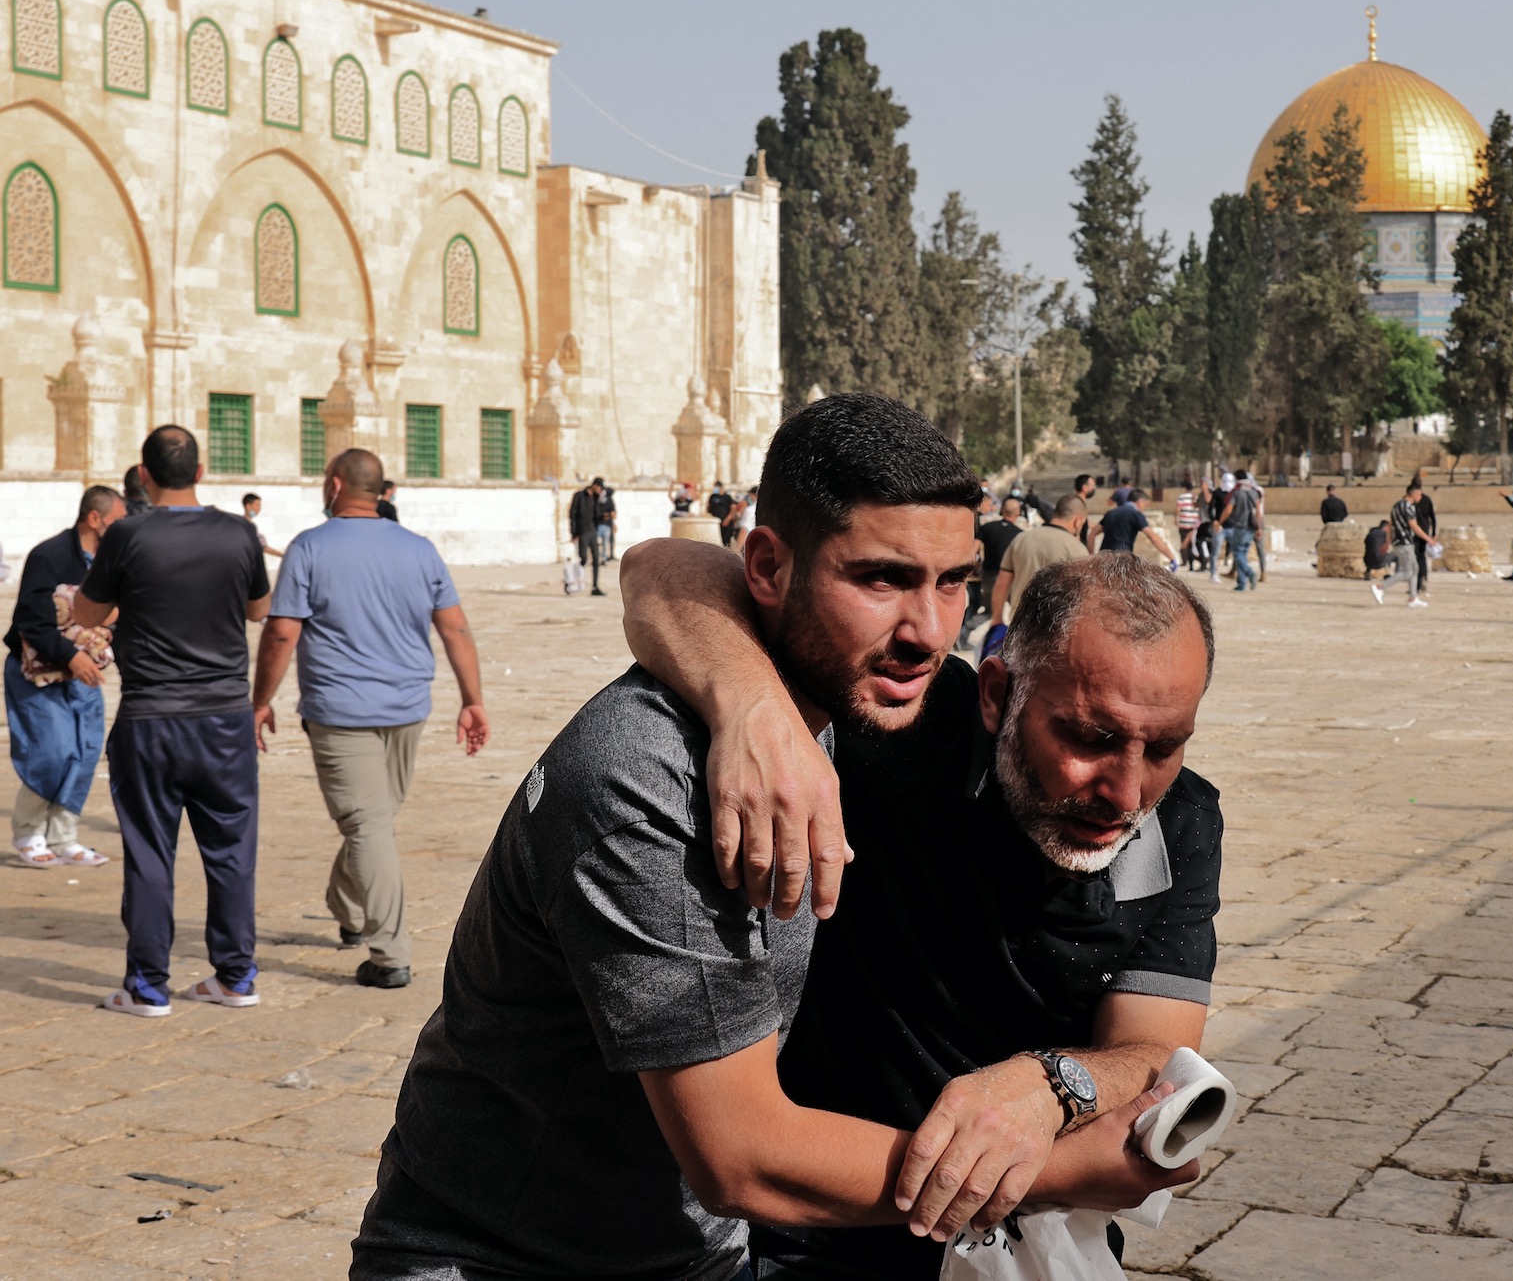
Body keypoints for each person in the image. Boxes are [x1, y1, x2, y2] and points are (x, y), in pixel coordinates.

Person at [353, 395, 1181, 1281]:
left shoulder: (836, 704)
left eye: (954, 582)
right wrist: (1058, 1172)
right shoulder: (649, 785)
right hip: (504, 1258)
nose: (929, 633)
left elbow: (666, 566)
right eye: (882, 579)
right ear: (769, 568)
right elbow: (740, 1158)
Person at [627, 552, 1222, 1281]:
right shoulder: (907, 730)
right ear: (999, 694)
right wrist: (753, 710)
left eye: (1164, 746)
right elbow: (663, 571)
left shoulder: (1182, 821)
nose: (1127, 792)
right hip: (809, 1241)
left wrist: (1050, 1086)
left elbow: (1154, 1051)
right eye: (1089, 738)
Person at [250, 448, 489, 990]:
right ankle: (353, 911)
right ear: (379, 490)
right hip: (406, 708)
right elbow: (455, 629)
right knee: (371, 821)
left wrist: (259, 698)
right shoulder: (419, 549)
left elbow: (282, 631)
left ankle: (388, 955)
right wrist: (472, 698)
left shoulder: (309, 548)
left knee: (368, 823)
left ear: (334, 485)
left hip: (341, 709)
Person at [71, 426, 271, 1018]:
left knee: (150, 852)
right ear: (202, 471)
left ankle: (148, 986)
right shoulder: (239, 532)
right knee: (232, 850)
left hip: (152, 717)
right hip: (225, 718)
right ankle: (235, 976)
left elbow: (85, 610)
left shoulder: (128, 534)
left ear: (145, 474)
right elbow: (259, 608)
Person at [6, 485, 124, 869]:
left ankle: (64, 835)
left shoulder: (109, 562)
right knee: (51, 752)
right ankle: (28, 832)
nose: (122, 529)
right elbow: (31, 620)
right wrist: (71, 656)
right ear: (95, 518)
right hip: (41, 673)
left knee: (86, 752)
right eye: (117, 521)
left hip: (85, 676)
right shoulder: (50, 555)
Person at [989, 494, 1089, 633]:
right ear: (1078, 520)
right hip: (1056, 630)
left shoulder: (1021, 539)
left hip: (1020, 626)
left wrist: (997, 619)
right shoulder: (1077, 549)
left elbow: (1002, 583)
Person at [959, 497, 1024, 649]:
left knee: (990, 611)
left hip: (990, 577)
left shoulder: (988, 528)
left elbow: (973, 549)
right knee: (1018, 612)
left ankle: (963, 633)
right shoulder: (1019, 534)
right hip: (1011, 579)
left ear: (1002, 510)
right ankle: (1016, 645)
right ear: (1018, 513)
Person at [1371, 484, 1433, 609]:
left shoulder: (1396, 506)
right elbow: (1414, 526)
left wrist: (1387, 542)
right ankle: (1380, 587)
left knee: (1414, 569)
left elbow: (1390, 525)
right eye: (1419, 495)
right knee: (1407, 572)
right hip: (1405, 543)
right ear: (1414, 493)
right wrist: (1428, 538)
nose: (1420, 498)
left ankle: (1413, 597)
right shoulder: (1408, 507)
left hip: (1398, 543)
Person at [1089, 494, 1178, 566]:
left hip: (1103, 556)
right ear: (1140, 501)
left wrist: (1092, 557)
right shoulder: (1135, 514)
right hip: (1122, 558)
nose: (1144, 508)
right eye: (1145, 505)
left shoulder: (1111, 513)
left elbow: (1092, 535)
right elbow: (1153, 537)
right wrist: (1171, 557)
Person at [1216, 473, 1261, 592]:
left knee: (1237, 553)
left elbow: (1228, 509)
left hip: (1240, 527)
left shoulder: (1237, 492)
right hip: (1251, 527)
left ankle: (1249, 573)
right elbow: (1258, 512)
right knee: (1243, 554)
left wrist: (1220, 522)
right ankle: (1241, 583)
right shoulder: (1254, 492)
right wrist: (1259, 528)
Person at [569, 478, 607, 597]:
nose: (600, 491)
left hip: (592, 531)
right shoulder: (579, 496)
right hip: (582, 532)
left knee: (596, 560)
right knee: (583, 558)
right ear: (594, 486)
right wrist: (574, 533)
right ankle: (572, 581)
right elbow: (572, 515)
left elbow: (610, 492)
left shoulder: (596, 498)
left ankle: (595, 586)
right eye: (599, 488)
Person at [1413, 481, 1438, 599]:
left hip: (1418, 532)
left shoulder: (1422, 500)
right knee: (1420, 557)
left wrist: (1433, 534)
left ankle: (1418, 583)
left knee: (1417, 557)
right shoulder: (1422, 499)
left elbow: (1432, 516)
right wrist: (1432, 534)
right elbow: (1432, 517)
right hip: (1421, 532)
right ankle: (1423, 578)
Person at [240, 493, 284, 559]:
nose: (259, 509)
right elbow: (263, 547)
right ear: (248, 506)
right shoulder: (244, 525)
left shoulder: (250, 525)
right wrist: (282, 555)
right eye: (257, 505)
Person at [1175, 479, 1203, 569]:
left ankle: (1184, 561)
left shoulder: (1182, 497)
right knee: (1192, 544)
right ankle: (1191, 564)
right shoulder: (1196, 497)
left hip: (1184, 524)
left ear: (1185, 488)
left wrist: (1176, 519)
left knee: (1184, 543)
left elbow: (1178, 509)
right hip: (1194, 524)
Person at [708, 479, 737, 547]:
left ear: (720, 487)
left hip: (726, 521)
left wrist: (728, 519)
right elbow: (709, 506)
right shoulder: (713, 496)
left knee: (726, 541)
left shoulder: (727, 497)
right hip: (716, 522)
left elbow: (733, 508)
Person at [598, 478, 618, 561]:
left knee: (609, 541)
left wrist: (613, 523)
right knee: (600, 542)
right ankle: (602, 558)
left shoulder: (609, 500)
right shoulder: (599, 499)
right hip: (600, 523)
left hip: (608, 524)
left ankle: (608, 556)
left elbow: (613, 513)